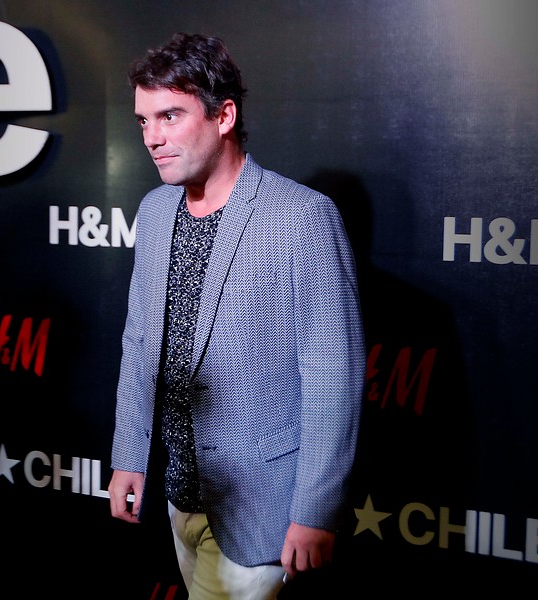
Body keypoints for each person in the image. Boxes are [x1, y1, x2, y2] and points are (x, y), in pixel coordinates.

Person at [108, 32, 365, 600]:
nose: (151, 137)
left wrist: (316, 510)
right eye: (143, 120)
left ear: (224, 116)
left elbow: (333, 378)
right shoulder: (155, 211)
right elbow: (140, 342)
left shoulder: (301, 217)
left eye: (170, 116)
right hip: (179, 498)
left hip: (262, 508)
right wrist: (129, 454)